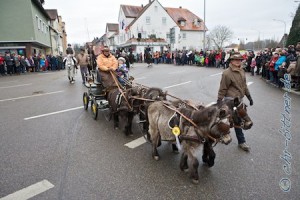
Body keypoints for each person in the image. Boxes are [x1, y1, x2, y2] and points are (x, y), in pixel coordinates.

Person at [217, 52, 253, 151]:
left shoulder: (242, 71)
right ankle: (221, 136)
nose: (238, 62)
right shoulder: (226, 73)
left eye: (240, 60)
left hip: (239, 100)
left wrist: (249, 97)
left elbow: (244, 86)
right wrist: (219, 100)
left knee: (238, 121)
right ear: (231, 61)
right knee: (226, 120)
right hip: (229, 100)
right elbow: (223, 88)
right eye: (236, 60)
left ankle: (241, 142)